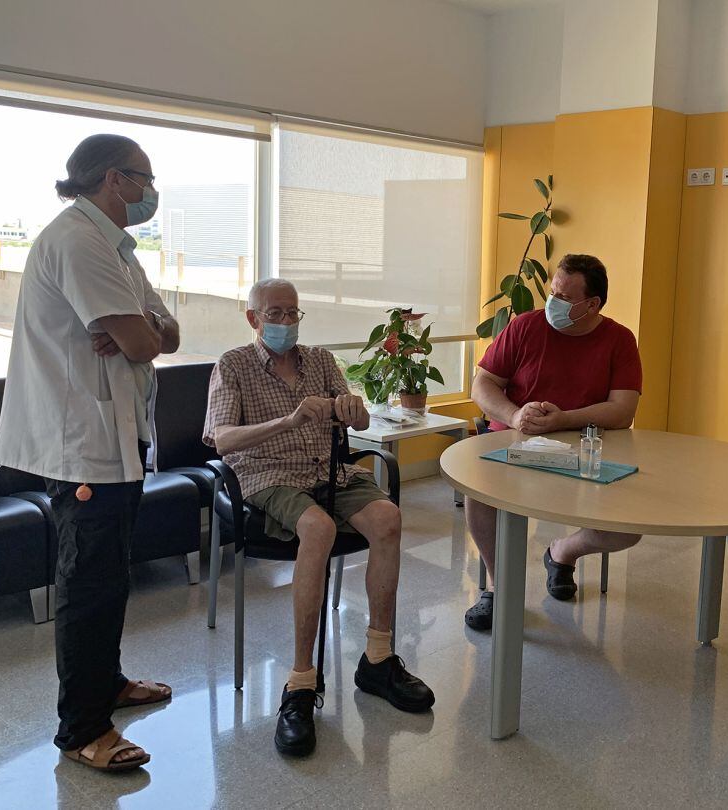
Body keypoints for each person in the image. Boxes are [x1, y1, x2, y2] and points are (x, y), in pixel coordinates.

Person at [0, 134, 180, 772]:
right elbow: (144, 344)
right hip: (82, 443)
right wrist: (141, 332)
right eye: (144, 178)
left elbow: (165, 331)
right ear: (112, 179)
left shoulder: (117, 248)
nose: (151, 192)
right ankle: (82, 729)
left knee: (111, 572)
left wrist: (142, 328)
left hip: (117, 436)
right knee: (88, 581)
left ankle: (110, 683)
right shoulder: (76, 240)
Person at [203, 278, 434, 758]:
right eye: (275, 313)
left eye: (293, 312)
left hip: (329, 471)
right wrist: (289, 420)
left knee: (388, 518)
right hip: (270, 474)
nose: (285, 322)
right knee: (318, 527)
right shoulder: (233, 364)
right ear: (253, 318)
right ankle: (301, 682)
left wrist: (355, 411)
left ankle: (377, 658)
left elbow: (359, 420)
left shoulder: (322, 360)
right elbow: (222, 439)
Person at [464, 254, 644, 631]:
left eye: (563, 297)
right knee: (478, 494)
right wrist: (515, 415)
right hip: (514, 442)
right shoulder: (524, 327)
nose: (552, 302)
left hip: (586, 451)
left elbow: (623, 410)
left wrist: (563, 419)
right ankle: (499, 587)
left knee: (629, 527)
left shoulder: (620, 340)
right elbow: (482, 384)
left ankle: (562, 553)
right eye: (552, 292)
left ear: (592, 305)